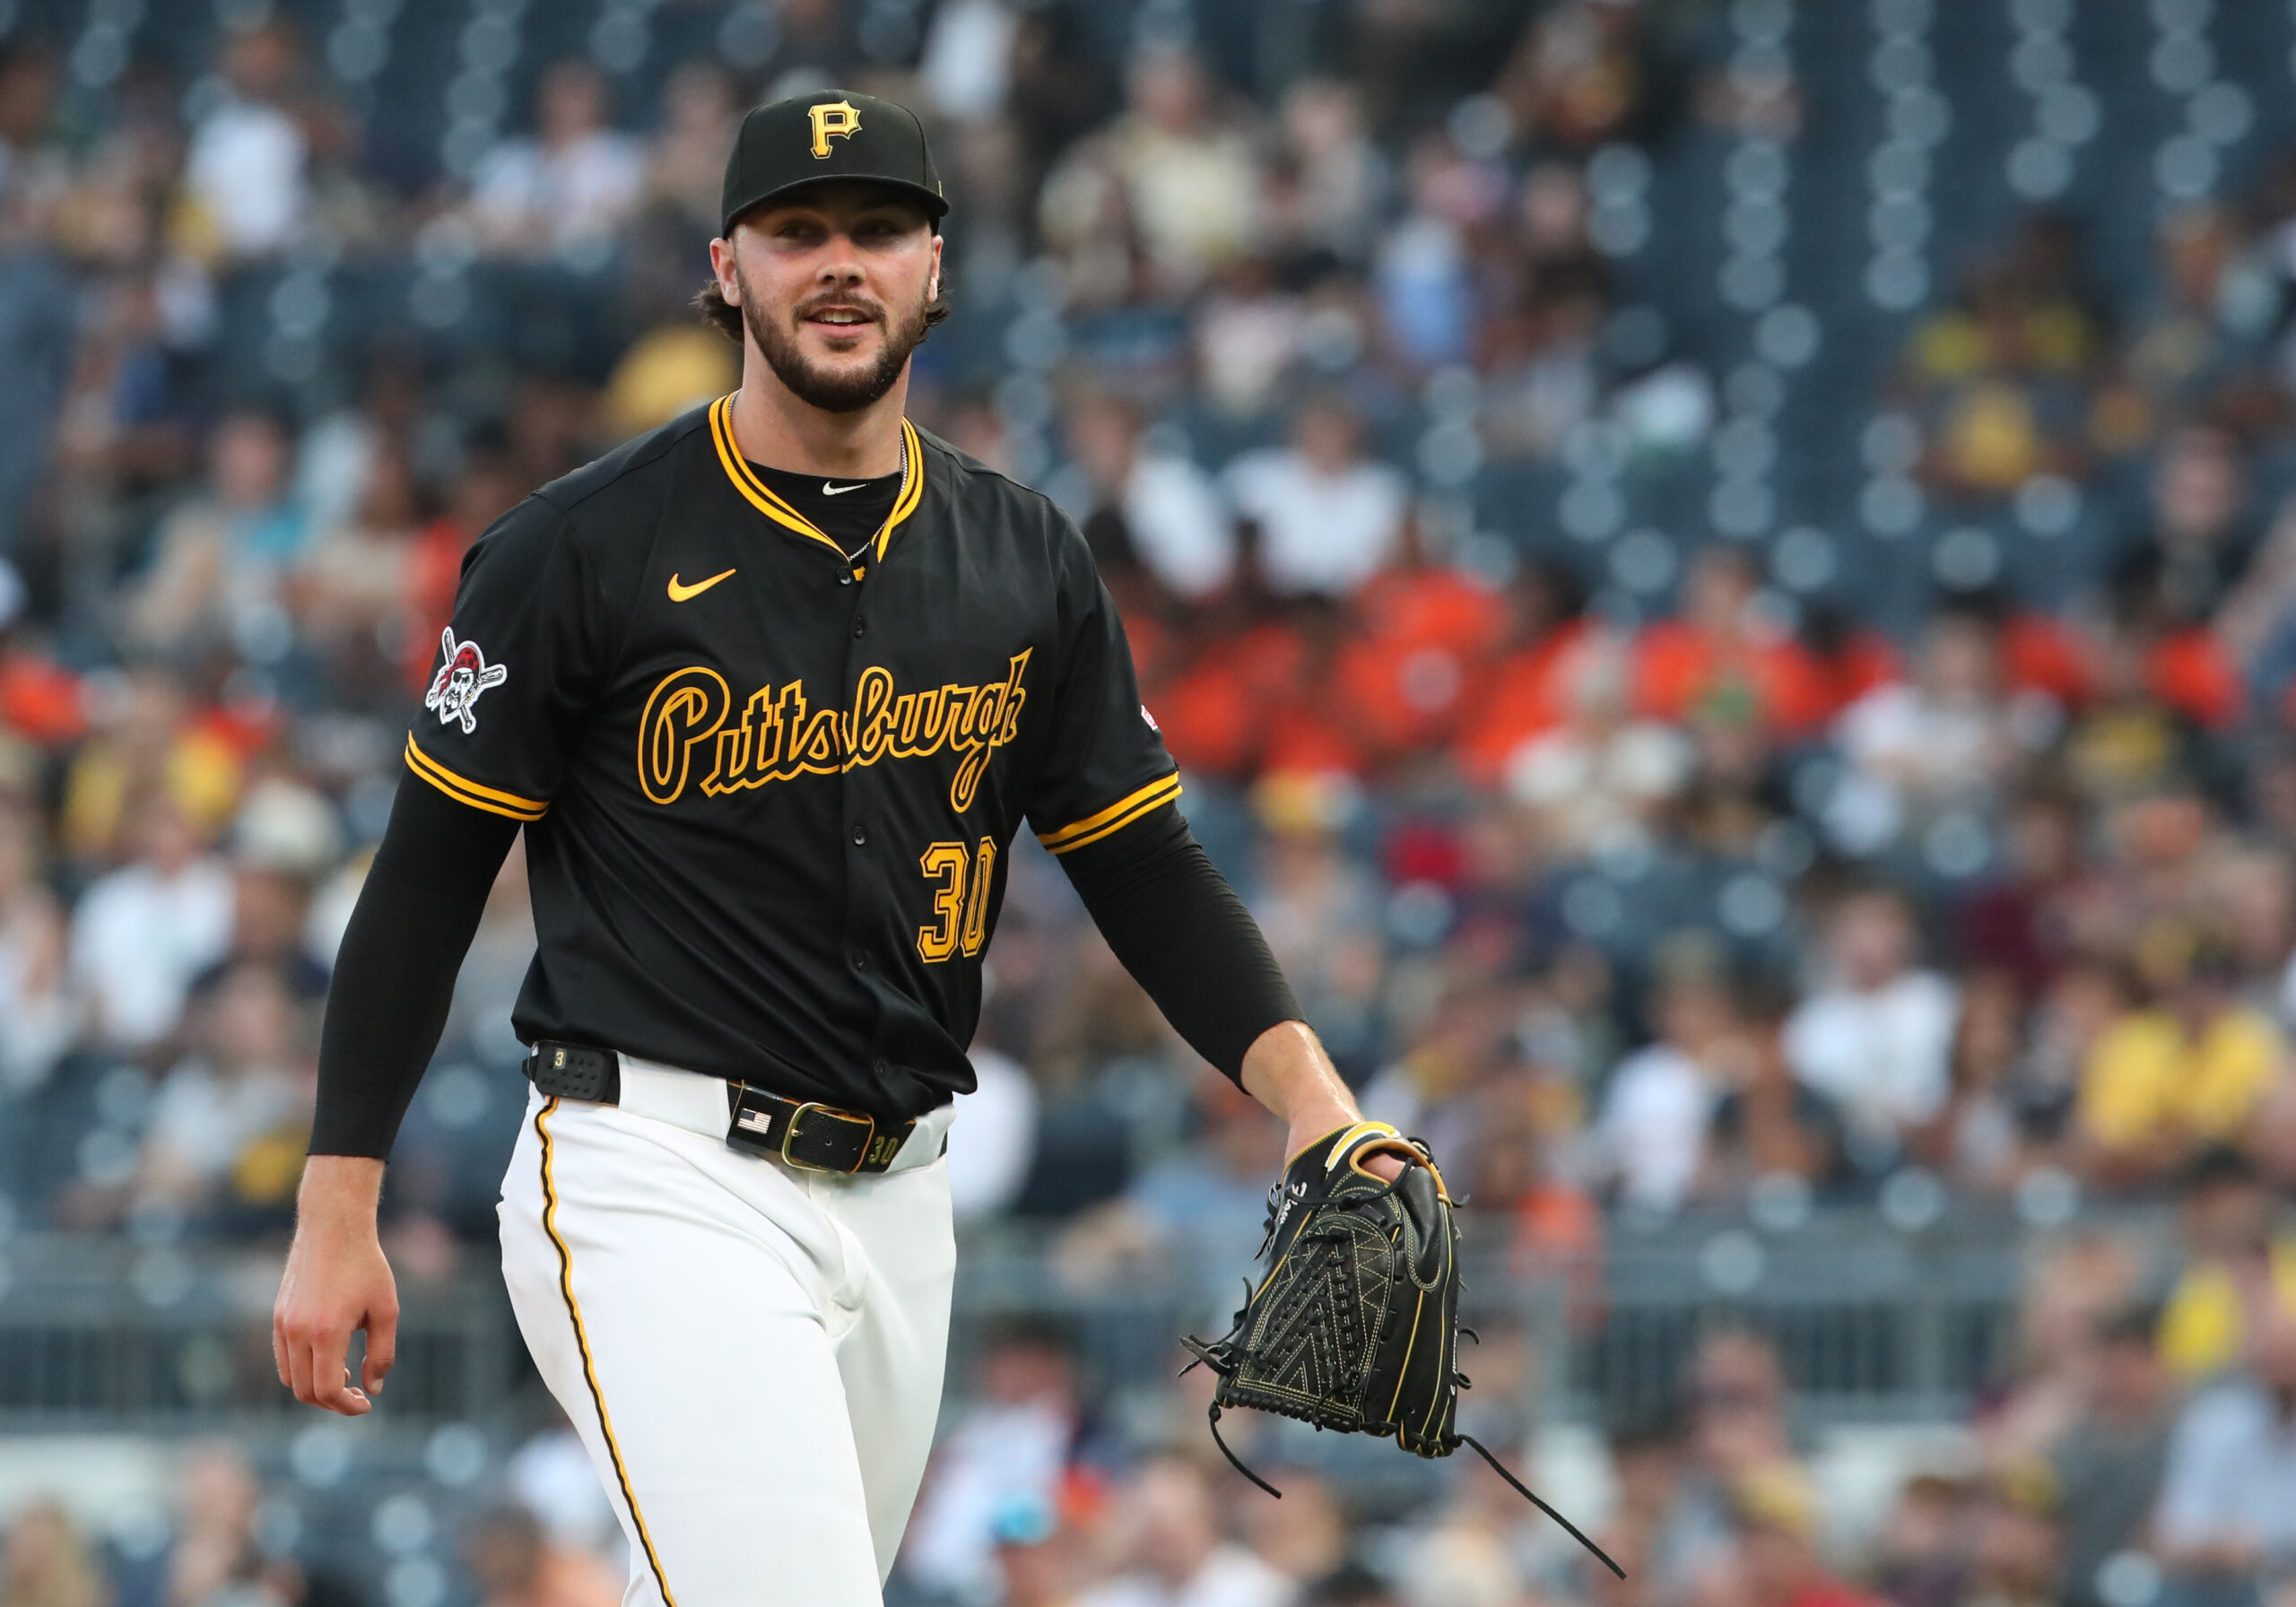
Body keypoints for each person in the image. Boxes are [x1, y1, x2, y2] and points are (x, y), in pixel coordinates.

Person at [273, 91, 1401, 1607]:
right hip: (654, 1168)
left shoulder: (1022, 554)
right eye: (796, 231)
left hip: (903, 1199)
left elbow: (1142, 866)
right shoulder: (578, 548)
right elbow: (420, 885)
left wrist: (1316, 1102)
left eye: (876, 228)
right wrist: (336, 1205)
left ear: (938, 267)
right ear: (726, 267)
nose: (839, 264)